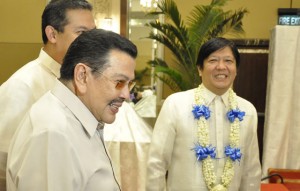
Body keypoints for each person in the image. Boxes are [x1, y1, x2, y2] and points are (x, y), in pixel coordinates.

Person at [6, 28, 138, 191]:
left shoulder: (77, 119)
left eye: (129, 84)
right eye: (119, 82)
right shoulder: (54, 134)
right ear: (82, 76)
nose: (126, 94)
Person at [0, 0, 95, 189]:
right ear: (52, 34)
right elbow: (3, 163)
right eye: (82, 33)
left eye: (93, 34)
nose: (91, 42)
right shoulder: (22, 86)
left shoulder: (82, 80)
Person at [146, 37, 261, 191]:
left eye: (228, 61)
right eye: (213, 60)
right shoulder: (176, 104)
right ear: (200, 69)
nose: (221, 67)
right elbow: (156, 163)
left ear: (236, 69)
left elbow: (251, 170)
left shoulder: (248, 111)